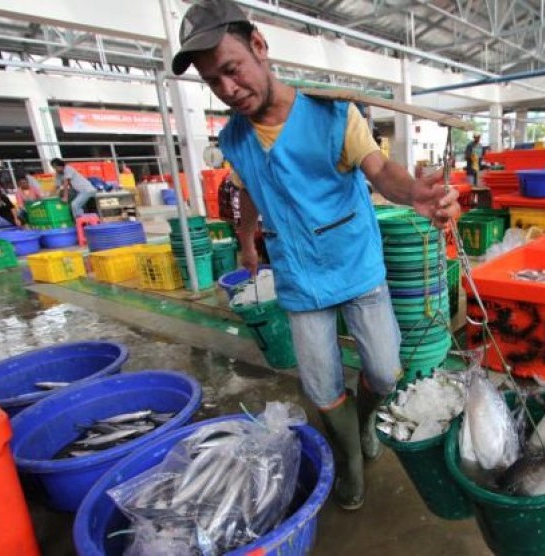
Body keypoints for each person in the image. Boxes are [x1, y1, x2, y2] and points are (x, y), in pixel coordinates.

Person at [172, 0, 460, 511]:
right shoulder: (236, 138)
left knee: (385, 371)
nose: (228, 90)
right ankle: (350, 457)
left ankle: (367, 420)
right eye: (214, 82)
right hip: (300, 278)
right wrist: (245, 236)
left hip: (357, 266)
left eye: (232, 70)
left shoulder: (333, 114)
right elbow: (256, 189)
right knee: (322, 384)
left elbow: (380, 170)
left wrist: (415, 193)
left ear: (259, 46)